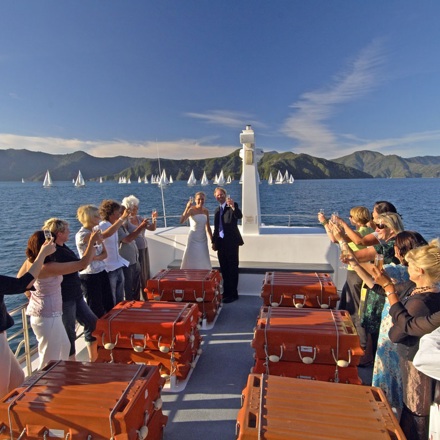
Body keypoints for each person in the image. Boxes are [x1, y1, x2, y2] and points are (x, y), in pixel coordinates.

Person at [345, 231, 427, 418]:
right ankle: (393, 412)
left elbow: (377, 277)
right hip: (398, 324)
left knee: (386, 369)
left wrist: (353, 259)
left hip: (392, 323)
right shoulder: (413, 275)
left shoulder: (397, 271)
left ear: (401, 251)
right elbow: (377, 287)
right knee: (400, 374)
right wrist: (356, 266)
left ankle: (384, 413)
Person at [374, 239, 440, 440]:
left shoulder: (421, 301)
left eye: (410, 265)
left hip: (415, 366)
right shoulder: (418, 289)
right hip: (414, 361)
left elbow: (399, 332)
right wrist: (385, 285)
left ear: (420, 270)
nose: (406, 266)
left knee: (414, 411)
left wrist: (389, 290)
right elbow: (380, 289)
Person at [17, 229, 100, 369]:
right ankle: (45, 386)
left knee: (65, 346)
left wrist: (34, 295)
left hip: (50, 313)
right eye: (51, 241)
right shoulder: (47, 267)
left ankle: (59, 380)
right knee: (49, 358)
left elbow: (21, 280)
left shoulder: (31, 262)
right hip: (46, 316)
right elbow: (81, 265)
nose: (54, 244)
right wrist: (92, 241)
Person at [1, 239, 56, 398]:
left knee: (17, 380)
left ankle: (13, 419)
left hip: (2, 338)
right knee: (3, 391)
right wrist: (42, 254)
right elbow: (23, 284)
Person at [42, 218, 99, 362]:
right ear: (59, 233)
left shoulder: (63, 247)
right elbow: (82, 264)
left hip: (76, 294)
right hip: (65, 297)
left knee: (92, 322)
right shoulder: (56, 252)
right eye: (66, 230)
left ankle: (93, 358)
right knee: (69, 332)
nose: (69, 231)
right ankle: (71, 363)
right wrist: (92, 242)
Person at [318, 206, 373, 351]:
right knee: (351, 304)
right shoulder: (369, 232)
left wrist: (325, 223)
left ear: (355, 219)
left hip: (355, 273)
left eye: (350, 216)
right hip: (362, 273)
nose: (349, 218)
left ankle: (358, 342)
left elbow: (335, 239)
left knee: (353, 307)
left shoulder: (359, 234)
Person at [76, 205, 114, 318]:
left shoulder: (95, 232)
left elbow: (105, 254)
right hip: (90, 275)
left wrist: (95, 258)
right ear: (89, 217)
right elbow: (100, 237)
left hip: (101, 271)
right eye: (96, 216)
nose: (99, 218)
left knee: (109, 303)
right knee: (95, 306)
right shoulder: (82, 235)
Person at [212, 187, 244, 303]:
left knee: (232, 269)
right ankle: (226, 292)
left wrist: (234, 207)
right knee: (224, 269)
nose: (220, 196)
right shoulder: (217, 210)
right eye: (217, 195)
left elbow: (239, 216)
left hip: (232, 243)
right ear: (215, 197)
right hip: (221, 244)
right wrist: (214, 242)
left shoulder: (232, 205)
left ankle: (233, 294)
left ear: (225, 195)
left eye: (221, 194)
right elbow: (216, 229)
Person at [122, 195, 157, 298]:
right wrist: (141, 226)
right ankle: (138, 296)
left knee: (145, 273)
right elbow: (128, 236)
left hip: (144, 248)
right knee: (137, 274)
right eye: (135, 207)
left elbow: (152, 228)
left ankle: (147, 295)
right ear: (129, 208)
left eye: (137, 207)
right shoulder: (126, 222)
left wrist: (154, 219)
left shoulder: (139, 218)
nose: (137, 209)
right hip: (135, 250)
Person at [99, 200, 131, 305]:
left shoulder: (114, 225)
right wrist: (122, 219)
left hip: (117, 265)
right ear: (112, 213)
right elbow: (105, 235)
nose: (119, 214)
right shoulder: (103, 225)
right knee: (111, 298)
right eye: (118, 212)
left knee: (120, 297)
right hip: (109, 268)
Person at [118, 205, 148, 301]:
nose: (128, 214)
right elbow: (127, 239)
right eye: (125, 213)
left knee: (136, 284)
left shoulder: (123, 225)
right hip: (127, 262)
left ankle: (137, 303)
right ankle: (131, 306)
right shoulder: (118, 227)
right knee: (129, 287)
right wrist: (141, 227)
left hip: (134, 259)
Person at [180, 192, 213, 270]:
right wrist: (187, 208)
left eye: (202, 199)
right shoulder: (191, 210)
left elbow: (208, 227)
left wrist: (212, 241)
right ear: (195, 200)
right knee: (192, 260)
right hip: (193, 239)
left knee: (203, 259)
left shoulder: (206, 211)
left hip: (203, 239)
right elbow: (182, 221)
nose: (201, 201)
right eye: (199, 199)